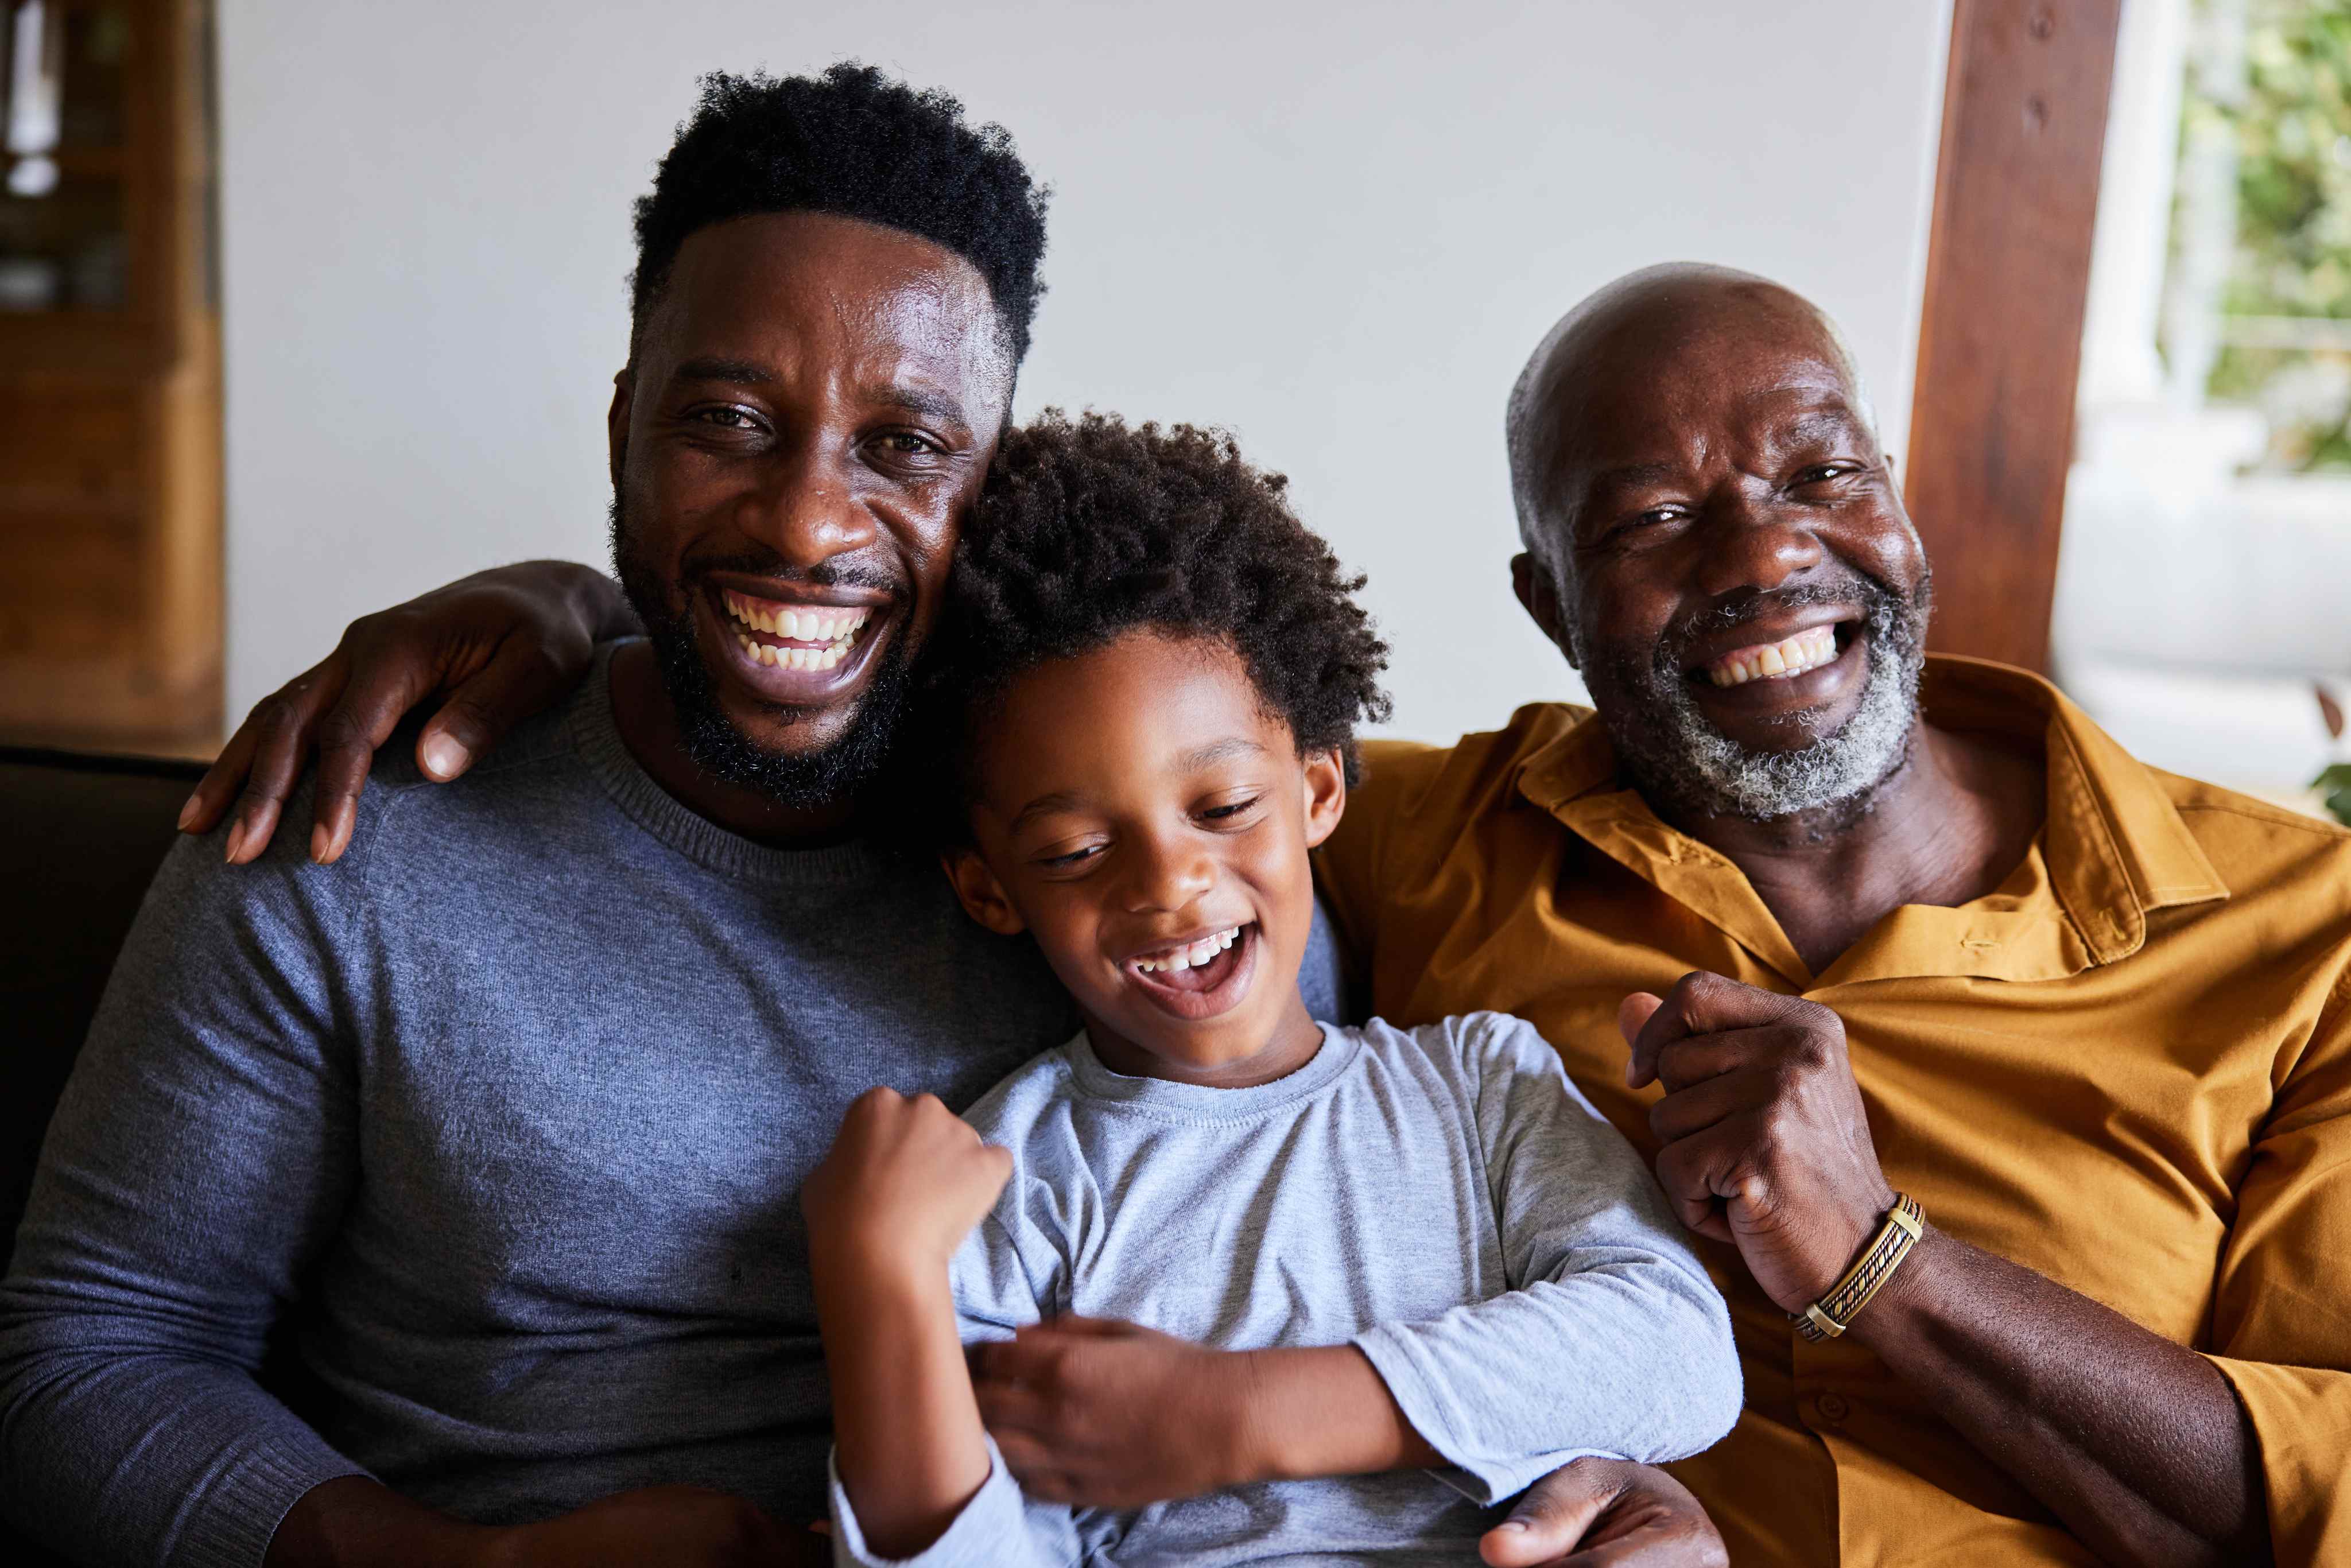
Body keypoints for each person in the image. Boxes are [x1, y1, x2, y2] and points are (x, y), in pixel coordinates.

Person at [211, 263, 2351, 1568]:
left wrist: (1874, 1264)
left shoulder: (2294, 928)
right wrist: (559, 614)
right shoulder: (1416, 836)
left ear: (1894, 492)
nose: (1760, 558)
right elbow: (997, 700)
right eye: (1652, 521)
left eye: (1811, 472)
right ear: (1545, 606)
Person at [0, 64, 1714, 1568]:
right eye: (730, 421)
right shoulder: (358, 827)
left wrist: (1632, 1489)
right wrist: (461, 1563)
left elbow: (1362, 1286)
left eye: (905, 442)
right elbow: (80, 1357)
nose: (812, 514)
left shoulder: (1115, 870)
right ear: (622, 426)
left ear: (994, 480)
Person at [802, 413, 1741, 1566]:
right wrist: (880, 1271)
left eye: (1222, 807)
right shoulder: (1007, 1185)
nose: (1169, 883)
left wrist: (1239, 1412)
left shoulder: (1481, 1090)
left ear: (1317, 791)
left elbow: (1677, 1355)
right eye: (1073, 852)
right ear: (989, 889)